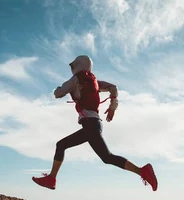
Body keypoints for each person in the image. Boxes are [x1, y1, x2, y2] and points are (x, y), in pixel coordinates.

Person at [32, 55, 158, 191]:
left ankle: (51, 179)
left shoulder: (76, 79)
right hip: (95, 123)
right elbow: (113, 87)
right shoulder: (94, 82)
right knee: (107, 157)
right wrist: (113, 105)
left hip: (90, 125)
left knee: (61, 145)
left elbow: (58, 93)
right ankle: (143, 171)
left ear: (78, 65)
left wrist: (59, 88)